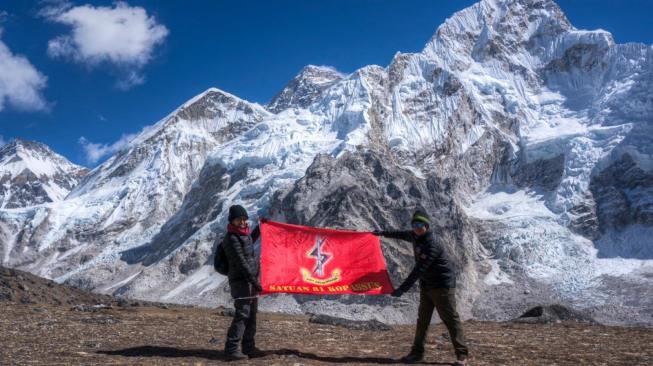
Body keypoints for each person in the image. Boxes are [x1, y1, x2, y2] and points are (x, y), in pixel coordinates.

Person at [373, 210, 468, 365]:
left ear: (426, 225)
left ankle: (462, 355)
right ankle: (417, 354)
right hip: (427, 285)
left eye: (419, 225)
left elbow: (418, 270)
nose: (416, 227)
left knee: (451, 319)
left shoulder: (432, 244)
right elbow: (401, 234)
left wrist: (402, 289)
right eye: (414, 224)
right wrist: (382, 233)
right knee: (422, 320)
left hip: (442, 286)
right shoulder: (415, 235)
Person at [222, 204, 264, 361]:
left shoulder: (243, 235)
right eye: (239, 219)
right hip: (241, 282)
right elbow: (241, 263)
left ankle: (249, 347)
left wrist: (259, 230)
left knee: (251, 315)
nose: (242, 222)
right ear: (232, 220)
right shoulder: (231, 239)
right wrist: (255, 282)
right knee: (243, 314)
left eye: (244, 219)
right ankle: (231, 349)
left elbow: (248, 243)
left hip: (250, 282)